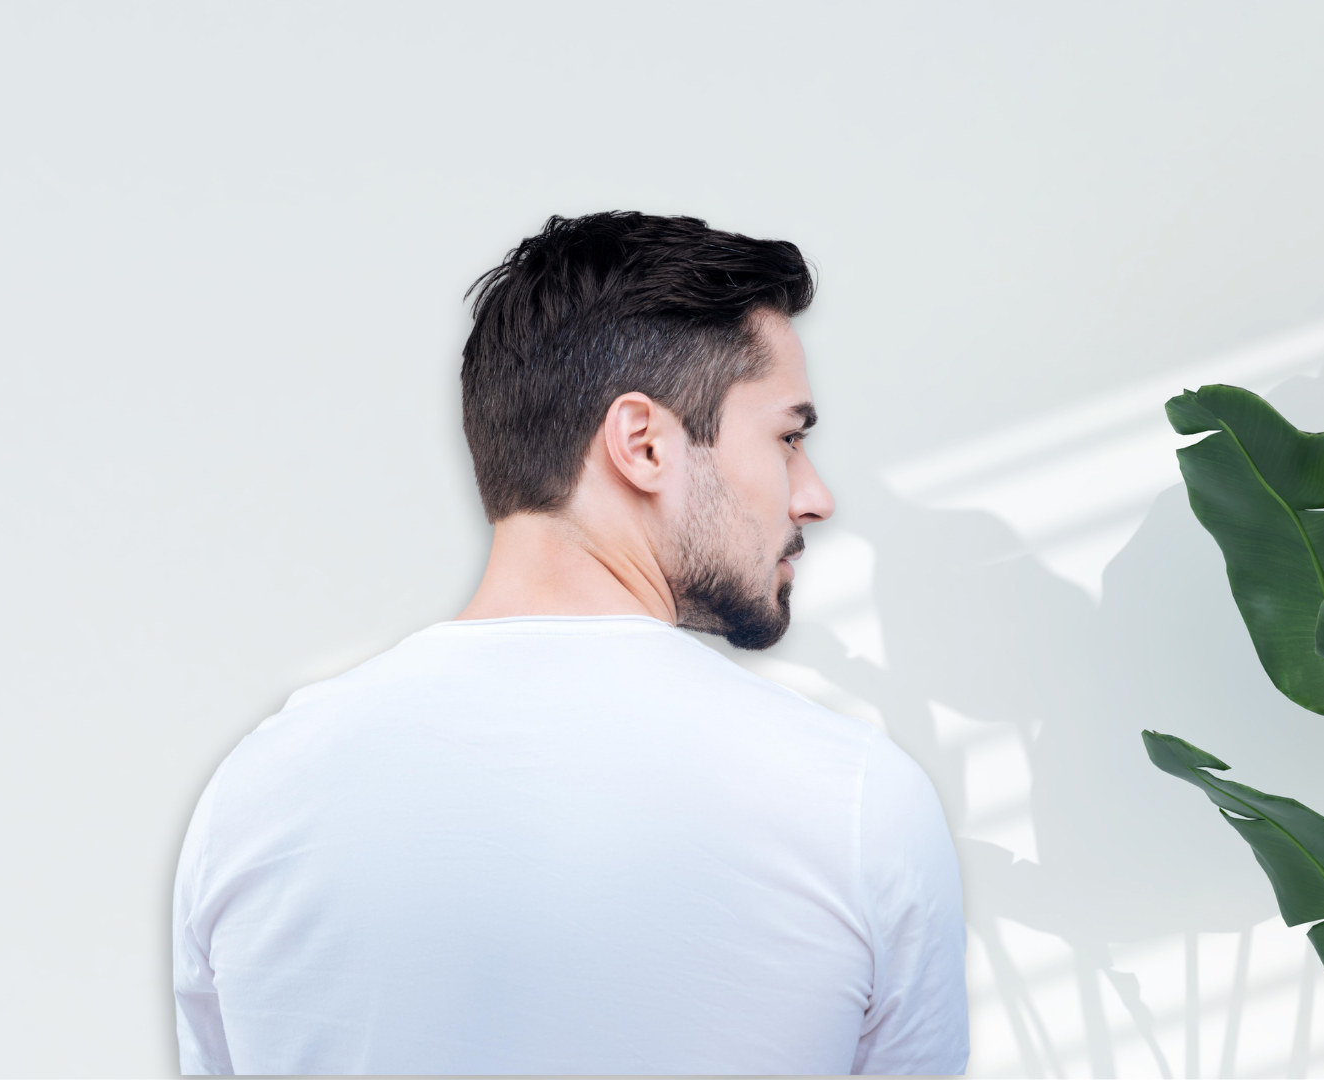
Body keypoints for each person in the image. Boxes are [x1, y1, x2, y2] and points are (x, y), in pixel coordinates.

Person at [170, 213, 968, 1075]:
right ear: (644, 444)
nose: (812, 496)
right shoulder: (852, 803)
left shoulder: (254, 796)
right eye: (787, 437)